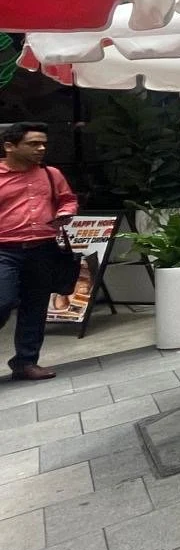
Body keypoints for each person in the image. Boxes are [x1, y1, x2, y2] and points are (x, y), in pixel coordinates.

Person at [0, 123, 76, 381]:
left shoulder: (51, 174)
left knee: (35, 306)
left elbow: (67, 198)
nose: (41, 148)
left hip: (43, 249)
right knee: (3, 301)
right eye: (33, 144)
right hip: (4, 250)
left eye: (43, 143)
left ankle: (25, 362)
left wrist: (65, 212)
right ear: (10, 146)